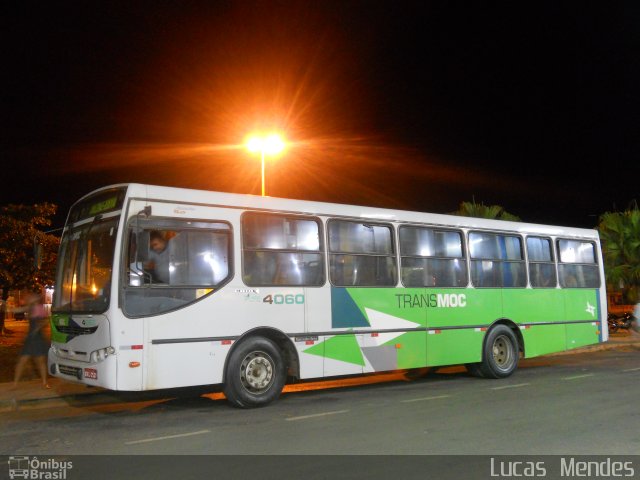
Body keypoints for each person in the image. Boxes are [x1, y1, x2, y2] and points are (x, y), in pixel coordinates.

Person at [13, 292, 50, 389]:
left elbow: (46, 320)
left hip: (38, 338)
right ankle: (15, 384)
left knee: (40, 361)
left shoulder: (39, 308)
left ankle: (44, 382)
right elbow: (18, 309)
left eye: (31, 298)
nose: (29, 299)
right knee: (23, 361)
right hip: (31, 338)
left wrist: (39, 326)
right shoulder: (30, 308)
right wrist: (7, 307)